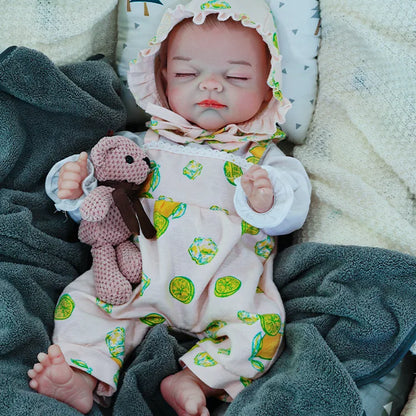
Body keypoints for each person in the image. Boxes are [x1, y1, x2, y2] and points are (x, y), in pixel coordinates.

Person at [28, 0, 311, 415]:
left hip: (224, 287)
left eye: (236, 76)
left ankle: (195, 380)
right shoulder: (144, 143)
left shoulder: (263, 158)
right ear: (161, 79)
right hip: (134, 277)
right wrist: (74, 186)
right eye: (187, 74)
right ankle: (82, 376)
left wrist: (267, 199)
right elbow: (102, 206)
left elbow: (295, 211)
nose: (211, 86)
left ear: (268, 85)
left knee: (263, 329)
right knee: (84, 303)